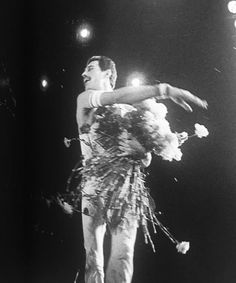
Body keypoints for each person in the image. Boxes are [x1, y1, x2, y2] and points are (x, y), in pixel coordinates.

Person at [76, 55, 207, 283]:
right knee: (93, 257)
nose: (83, 74)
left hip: (127, 192)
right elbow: (116, 96)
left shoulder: (133, 109)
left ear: (108, 74)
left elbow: (146, 160)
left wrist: (142, 151)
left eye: (90, 68)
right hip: (93, 188)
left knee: (124, 257)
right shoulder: (85, 100)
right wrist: (163, 89)